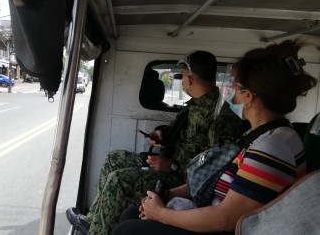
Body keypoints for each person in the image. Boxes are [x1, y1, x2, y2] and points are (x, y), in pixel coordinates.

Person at [113, 39, 318, 235]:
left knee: (127, 230)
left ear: (248, 96)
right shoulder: (259, 134)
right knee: (131, 214)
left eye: (235, 85)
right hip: (211, 212)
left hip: (220, 228)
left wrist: (162, 214)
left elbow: (225, 219)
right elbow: (213, 175)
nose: (230, 91)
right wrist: (170, 194)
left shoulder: (274, 146)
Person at [66, 51, 243, 235]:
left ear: (189, 79)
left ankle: (98, 231)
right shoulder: (196, 104)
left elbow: (214, 170)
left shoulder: (220, 116)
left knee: (119, 180)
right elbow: (178, 130)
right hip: (168, 162)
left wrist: (173, 166)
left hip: (181, 179)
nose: (182, 82)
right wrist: (161, 134)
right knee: (114, 158)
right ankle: (94, 219)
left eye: (182, 77)